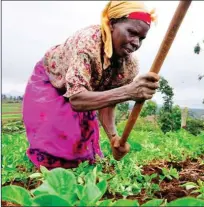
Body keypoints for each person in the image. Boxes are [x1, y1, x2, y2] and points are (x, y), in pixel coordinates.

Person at [22, 1, 159, 169]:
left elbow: (108, 102)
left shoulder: (128, 66)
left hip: (85, 90)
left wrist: (114, 138)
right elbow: (77, 100)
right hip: (52, 79)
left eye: (141, 38)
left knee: (83, 150)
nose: (136, 43)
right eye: (131, 32)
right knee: (56, 138)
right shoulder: (87, 44)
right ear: (111, 23)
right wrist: (129, 91)